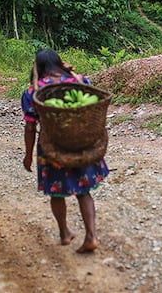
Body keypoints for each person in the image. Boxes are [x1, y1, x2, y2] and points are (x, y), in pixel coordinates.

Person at [21, 48, 109, 252]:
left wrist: (28, 155)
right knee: (84, 191)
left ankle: (64, 233)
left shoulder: (33, 91)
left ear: (38, 67)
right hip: (81, 144)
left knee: (56, 193)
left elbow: (30, 127)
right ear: (59, 63)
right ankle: (91, 236)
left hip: (53, 148)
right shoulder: (80, 81)